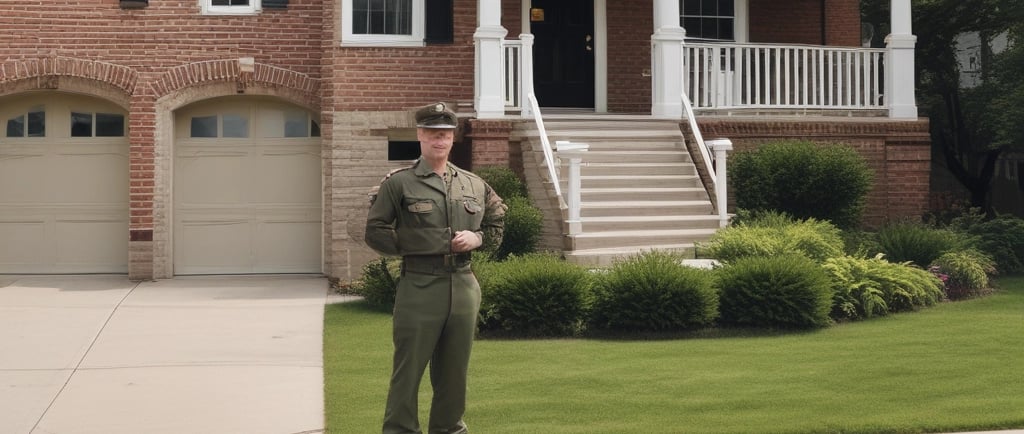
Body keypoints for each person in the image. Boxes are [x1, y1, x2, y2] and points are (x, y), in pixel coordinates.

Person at [365, 102, 507, 434]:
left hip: (463, 285)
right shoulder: (398, 183)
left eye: (444, 134)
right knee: (408, 370)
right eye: (432, 134)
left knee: (454, 372)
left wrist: (478, 238)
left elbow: (498, 223)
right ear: (420, 136)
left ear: (453, 138)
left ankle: (449, 429)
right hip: (419, 284)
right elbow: (375, 232)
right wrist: (431, 242)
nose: (439, 140)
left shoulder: (473, 184)